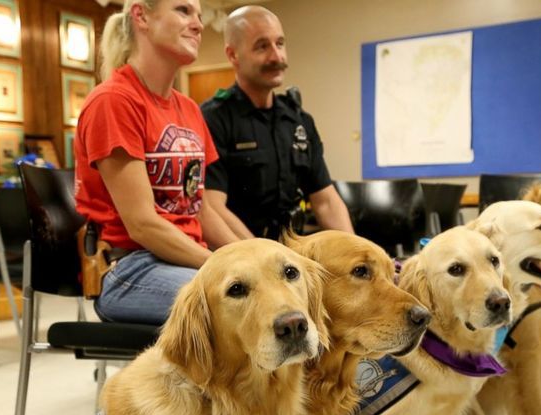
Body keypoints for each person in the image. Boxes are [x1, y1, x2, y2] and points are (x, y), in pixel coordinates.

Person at [74, 0, 239, 325]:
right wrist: (225, 265)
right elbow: (142, 224)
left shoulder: (190, 109)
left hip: (184, 261)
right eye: (183, 10)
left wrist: (253, 255)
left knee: (284, 291)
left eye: (199, 16)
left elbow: (200, 208)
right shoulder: (113, 101)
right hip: (129, 268)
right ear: (141, 15)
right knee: (246, 304)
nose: (198, 24)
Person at [200, 5, 354, 239]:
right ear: (233, 55)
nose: (277, 56)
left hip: (291, 251)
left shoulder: (298, 120)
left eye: (279, 44)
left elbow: (326, 202)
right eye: (262, 46)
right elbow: (213, 207)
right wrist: (267, 258)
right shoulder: (214, 119)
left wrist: (359, 253)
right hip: (238, 255)